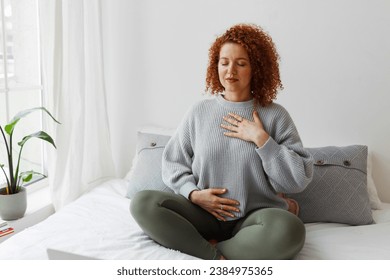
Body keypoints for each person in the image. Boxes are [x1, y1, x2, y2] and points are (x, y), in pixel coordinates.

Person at [130, 23, 313, 260]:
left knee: (291, 230)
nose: (230, 71)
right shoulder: (199, 112)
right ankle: (214, 257)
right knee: (143, 203)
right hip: (201, 213)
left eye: (241, 63)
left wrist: (262, 139)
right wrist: (194, 195)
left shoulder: (275, 115)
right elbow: (173, 163)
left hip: (254, 218)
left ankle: (209, 250)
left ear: (256, 68)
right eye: (224, 62)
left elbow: (298, 179)